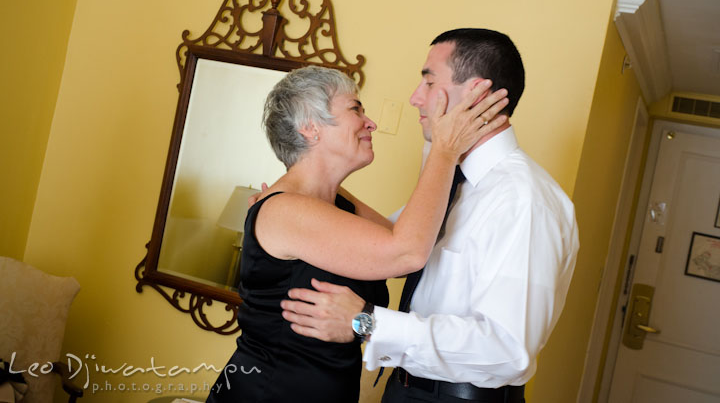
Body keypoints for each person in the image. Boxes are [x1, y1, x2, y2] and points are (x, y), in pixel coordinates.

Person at [279, 29, 580, 403]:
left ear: (477, 94)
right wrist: (298, 194)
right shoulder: (456, 182)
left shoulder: (524, 200)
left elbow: (507, 350)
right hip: (404, 389)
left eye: (428, 81)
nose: (414, 98)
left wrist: (365, 322)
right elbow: (397, 242)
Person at [206, 65, 509, 403]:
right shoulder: (284, 211)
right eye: (355, 109)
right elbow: (407, 251)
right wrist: (445, 149)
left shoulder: (329, 206)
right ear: (310, 127)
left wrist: (321, 182)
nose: (370, 122)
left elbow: (409, 240)